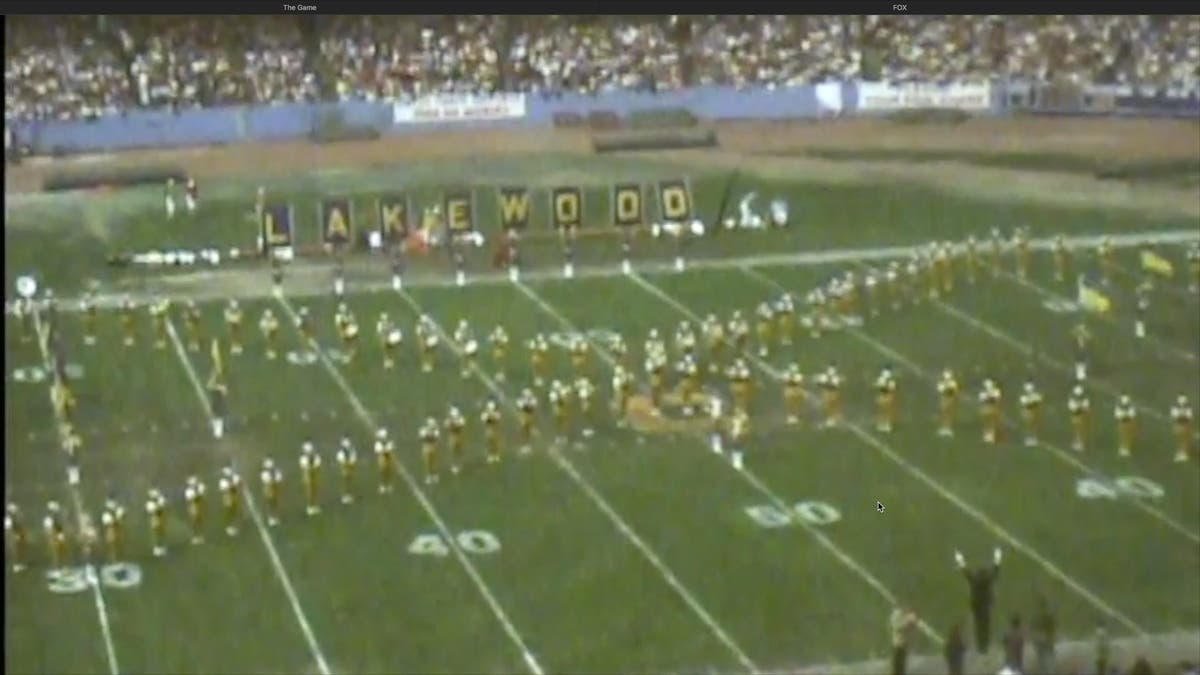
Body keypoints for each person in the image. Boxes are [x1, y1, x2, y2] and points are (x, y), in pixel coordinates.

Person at [956, 547, 1002, 653]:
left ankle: (981, 646)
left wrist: (960, 559)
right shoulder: (988, 580)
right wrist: (997, 557)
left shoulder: (974, 580)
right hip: (985, 606)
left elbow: (965, 572)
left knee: (978, 627)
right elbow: (996, 570)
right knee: (986, 626)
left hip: (976, 606)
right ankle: (984, 646)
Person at [1030, 593, 1056, 674]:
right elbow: (1051, 627)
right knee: (1048, 658)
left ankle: (1044, 671)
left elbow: (1033, 626)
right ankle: (1048, 672)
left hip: (1039, 638)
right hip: (1045, 638)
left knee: (1041, 659)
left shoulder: (1037, 615)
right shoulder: (1048, 614)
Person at [889, 606, 918, 675]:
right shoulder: (896, 614)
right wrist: (909, 621)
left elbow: (909, 629)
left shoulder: (903, 615)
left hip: (903, 645)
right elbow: (899, 627)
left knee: (901, 667)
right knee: (897, 668)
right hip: (898, 645)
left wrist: (912, 622)